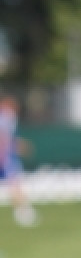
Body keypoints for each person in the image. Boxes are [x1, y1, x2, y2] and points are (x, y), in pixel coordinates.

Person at [0, 96, 36, 227]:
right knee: (15, 185)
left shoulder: (7, 118)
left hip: (6, 157)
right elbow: (4, 138)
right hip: (5, 158)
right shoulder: (6, 117)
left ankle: (23, 212)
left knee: (15, 185)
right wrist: (16, 146)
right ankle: (23, 213)